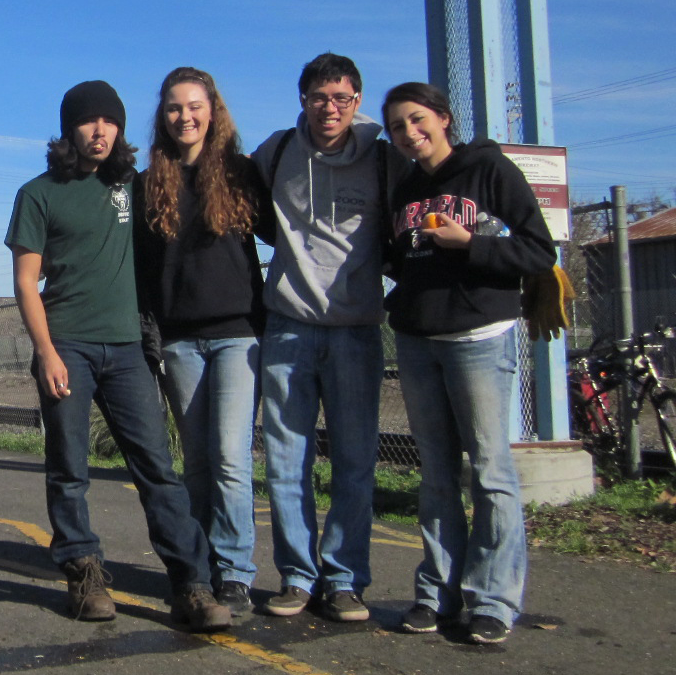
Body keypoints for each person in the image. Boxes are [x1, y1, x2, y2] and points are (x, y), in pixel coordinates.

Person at [6, 80, 230, 632]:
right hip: (68, 349)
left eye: (110, 121)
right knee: (69, 468)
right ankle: (84, 572)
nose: (100, 130)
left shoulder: (131, 185)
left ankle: (192, 586)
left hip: (127, 349)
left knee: (157, 468)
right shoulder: (39, 193)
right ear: (69, 129)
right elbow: (25, 282)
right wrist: (47, 352)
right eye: (88, 121)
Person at [380, 82, 555, 644]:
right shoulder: (405, 186)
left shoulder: (488, 171)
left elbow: (537, 250)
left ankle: (493, 599)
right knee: (435, 474)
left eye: (417, 120)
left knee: (488, 468)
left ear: (442, 119)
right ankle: (437, 592)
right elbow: (399, 254)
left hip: (479, 333)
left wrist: (468, 245)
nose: (409, 133)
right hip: (417, 337)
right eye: (398, 126)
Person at [250, 53, 406, 621]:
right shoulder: (276, 153)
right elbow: (250, 211)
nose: (330, 108)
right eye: (319, 98)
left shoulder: (385, 158)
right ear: (303, 100)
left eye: (341, 98)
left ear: (357, 101)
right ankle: (296, 576)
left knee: (355, 461)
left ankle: (344, 579)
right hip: (288, 325)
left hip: (357, 329)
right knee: (286, 462)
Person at [134, 67, 269, 616]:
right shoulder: (150, 184)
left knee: (231, 458)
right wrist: (151, 337)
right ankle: (200, 567)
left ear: (213, 111)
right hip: (180, 341)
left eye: (194, 106)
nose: (184, 116)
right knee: (196, 463)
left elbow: (287, 233)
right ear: (162, 117)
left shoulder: (238, 174)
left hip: (239, 336)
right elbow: (143, 270)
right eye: (173, 108)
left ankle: (235, 571)